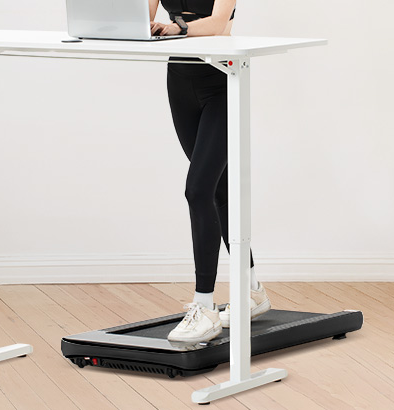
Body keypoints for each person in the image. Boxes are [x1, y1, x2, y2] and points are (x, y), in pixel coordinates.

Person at [148, 0, 271, 343]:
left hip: (222, 78)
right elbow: (139, 20)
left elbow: (219, 23)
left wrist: (178, 27)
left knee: (198, 190)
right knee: (216, 190)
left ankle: (204, 308)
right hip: (180, 78)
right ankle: (253, 291)